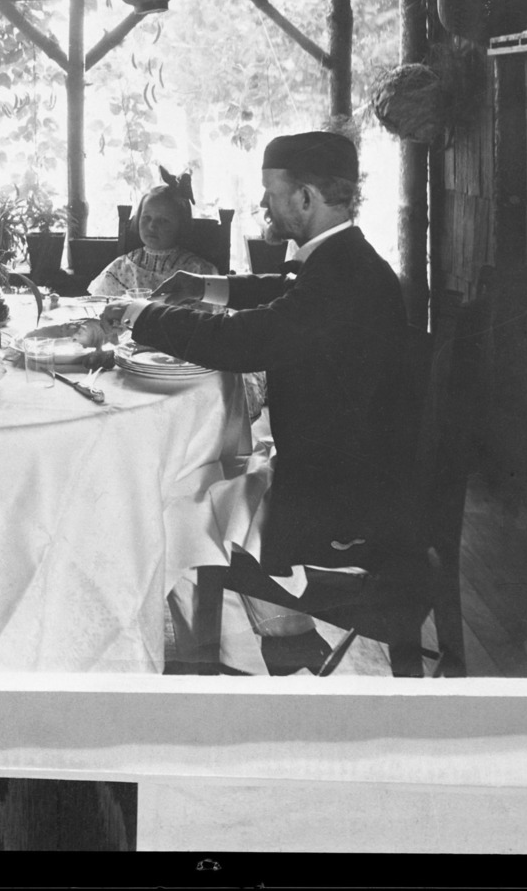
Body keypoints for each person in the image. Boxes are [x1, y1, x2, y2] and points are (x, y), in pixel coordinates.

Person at [88, 131, 429, 660]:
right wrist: (206, 287)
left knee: (183, 500)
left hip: (339, 505)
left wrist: (137, 315)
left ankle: (190, 649)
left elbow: (244, 340)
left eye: (270, 193)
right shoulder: (347, 261)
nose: (263, 204)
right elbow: (284, 290)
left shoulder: (342, 278)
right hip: (352, 473)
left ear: (306, 199)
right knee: (205, 476)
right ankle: (276, 640)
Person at [88, 172, 219, 298]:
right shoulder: (122, 267)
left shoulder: (196, 269)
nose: (152, 226)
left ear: (181, 225)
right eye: (146, 218)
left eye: (163, 221)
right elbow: (102, 306)